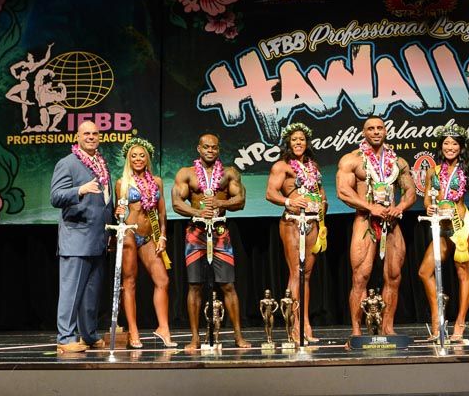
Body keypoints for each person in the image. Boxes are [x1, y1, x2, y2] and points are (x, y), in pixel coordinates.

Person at [336, 116, 417, 336]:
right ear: (364, 133)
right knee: (360, 277)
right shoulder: (352, 160)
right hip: (365, 220)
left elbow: (410, 191)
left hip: (391, 221)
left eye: (379, 128)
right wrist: (370, 207)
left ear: (385, 131)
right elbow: (343, 191)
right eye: (371, 128)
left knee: (394, 276)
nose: (375, 132)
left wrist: (400, 207)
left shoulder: (398, 162)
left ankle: (387, 328)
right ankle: (356, 331)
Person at [172, 133, 251, 350]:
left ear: (218, 149)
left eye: (214, 147)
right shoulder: (186, 173)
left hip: (220, 232)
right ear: (199, 149)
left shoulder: (229, 173)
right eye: (206, 147)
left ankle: (238, 336)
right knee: (194, 285)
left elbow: (241, 200)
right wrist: (198, 212)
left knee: (228, 285)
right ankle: (195, 338)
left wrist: (219, 202)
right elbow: (177, 202)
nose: (210, 150)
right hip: (195, 232)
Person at [418, 124, 469, 341]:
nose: (450, 147)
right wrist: (428, 207)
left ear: (460, 148)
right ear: (440, 147)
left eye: (454, 144)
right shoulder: (432, 172)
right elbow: (427, 199)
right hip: (441, 227)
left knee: (462, 272)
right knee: (424, 271)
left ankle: (460, 324)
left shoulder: (468, 172)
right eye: (446, 143)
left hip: (462, 225)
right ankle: (437, 319)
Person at [49, 120, 114, 352]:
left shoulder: (102, 164)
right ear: (77, 137)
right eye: (86, 133)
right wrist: (79, 190)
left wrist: (111, 226)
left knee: (91, 292)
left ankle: (88, 334)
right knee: (71, 291)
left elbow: (105, 200)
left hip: (99, 238)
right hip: (76, 239)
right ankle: (65, 338)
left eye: (95, 133)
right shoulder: (67, 163)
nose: (91, 137)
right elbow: (55, 197)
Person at [265, 122, 328, 344]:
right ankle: (295, 325)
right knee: (296, 273)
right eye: (294, 140)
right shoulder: (281, 166)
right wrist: (289, 201)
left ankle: (306, 323)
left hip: (313, 222)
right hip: (292, 222)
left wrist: (322, 206)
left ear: (307, 142)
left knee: (307, 275)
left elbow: (321, 193)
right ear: (288, 143)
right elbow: (270, 193)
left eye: (302, 139)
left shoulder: (313, 166)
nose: (298, 143)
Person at [113, 137, 174, 349]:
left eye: (141, 156)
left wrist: (162, 236)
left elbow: (162, 212)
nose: (138, 159)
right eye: (134, 156)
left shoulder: (156, 181)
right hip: (130, 233)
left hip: (150, 236)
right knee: (130, 282)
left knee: (163, 280)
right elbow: (119, 212)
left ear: (147, 158)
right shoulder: (122, 183)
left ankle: (163, 328)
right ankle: (133, 331)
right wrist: (118, 212)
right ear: (128, 159)